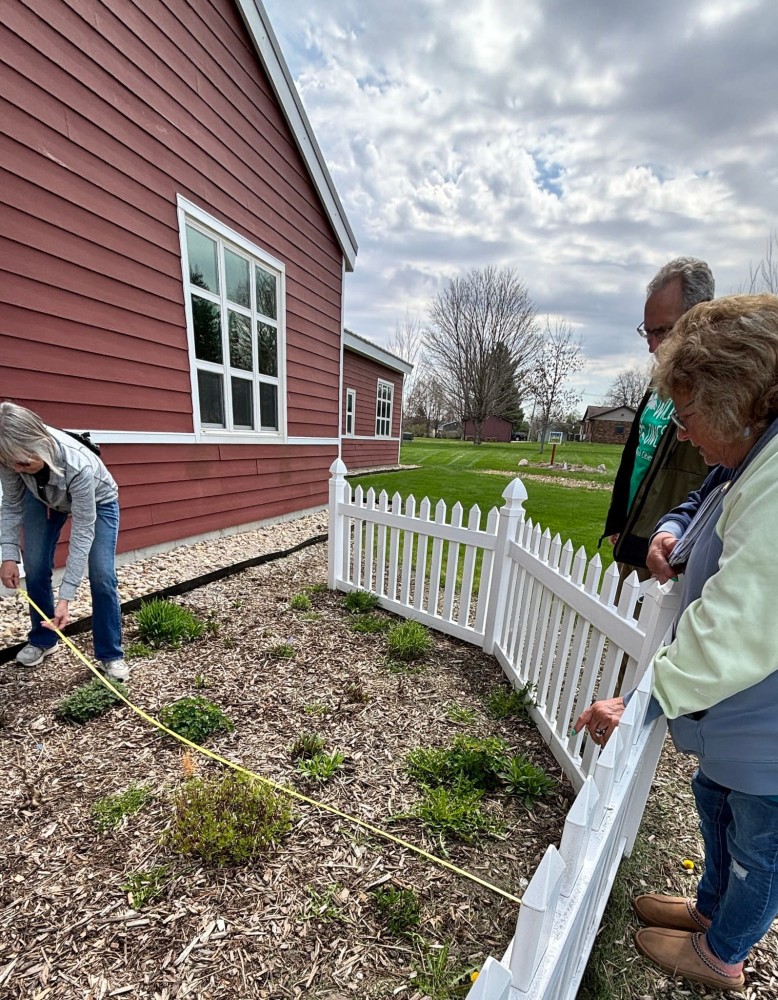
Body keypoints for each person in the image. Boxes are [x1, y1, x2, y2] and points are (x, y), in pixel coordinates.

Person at [576, 293, 778, 990]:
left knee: (763, 845)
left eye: (689, 417)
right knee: (719, 808)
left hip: (770, 728)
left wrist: (642, 700)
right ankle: (710, 910)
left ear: (735, 400)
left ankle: (724, 954)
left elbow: (740, 622)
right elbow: (705, 500)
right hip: (743, 717)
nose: (684, 436)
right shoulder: (754, 453)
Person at [602, 257, 715, 579]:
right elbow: (636, 454)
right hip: (636, 533)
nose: (652, 346)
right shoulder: (659, 382)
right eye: (647, 333)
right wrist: (621, 518)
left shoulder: (718, 389)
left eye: (661, 331)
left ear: (698, 317)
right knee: (620, 622)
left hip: (672, 549)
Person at [0, 402, 127, 681]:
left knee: (102, 575)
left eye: (24, 463)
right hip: (43, 497)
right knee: (34, 566)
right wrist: (8, 555)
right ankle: (44, 640)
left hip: (98, 501)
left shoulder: (77, 464)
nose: (18, 469)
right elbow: (10, 505)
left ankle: (110, 655)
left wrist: (66, 598)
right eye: (12, 464)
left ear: (40, 444)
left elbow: (83, 529)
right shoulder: (10, 455)